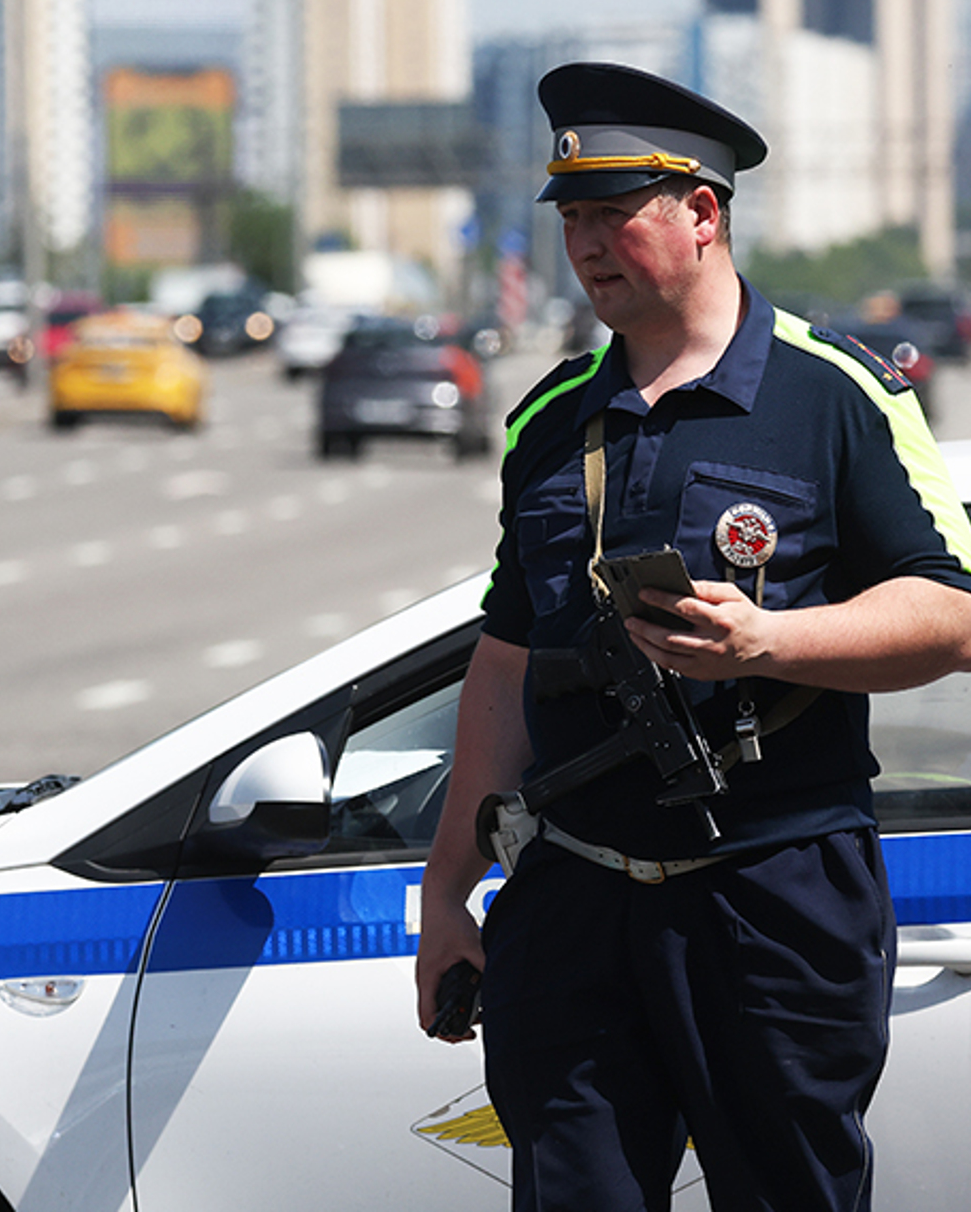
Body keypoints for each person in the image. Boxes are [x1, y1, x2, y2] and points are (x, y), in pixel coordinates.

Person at [415, 61, 971, 1212]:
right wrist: (444, 899)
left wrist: (767, 640)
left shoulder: (837, 394)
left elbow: (951, 613)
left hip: (768, 890)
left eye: (612, 214)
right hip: (572, 894)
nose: (586, 245)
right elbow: (506, 657)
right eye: (571, 219)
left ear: (702, 212)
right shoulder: (548, 415)